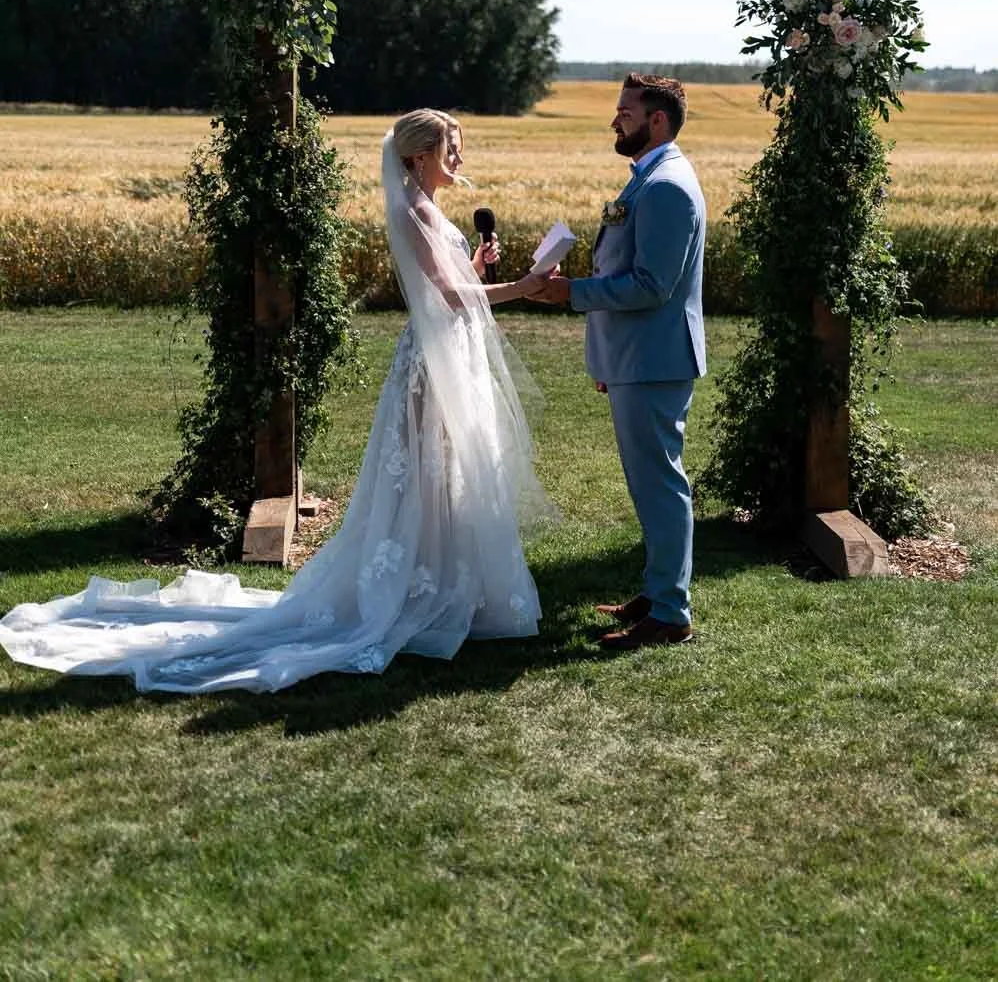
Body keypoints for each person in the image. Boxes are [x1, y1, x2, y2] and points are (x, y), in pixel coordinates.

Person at [0, 110, 558, 693]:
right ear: (418, 156)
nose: (460, 160)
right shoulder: (415, 211)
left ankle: (449, 586)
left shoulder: (429, 209)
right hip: (432, 359)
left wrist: (478, 267)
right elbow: (444, 293)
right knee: (427, 474)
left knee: (448, 472)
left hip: (449, 349)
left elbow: (450, 283)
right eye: (452, 149)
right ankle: (423, 590)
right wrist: (520, 287)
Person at [527, 74, 706, 650]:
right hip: (635, 358)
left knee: (660, 485)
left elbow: (653, 285)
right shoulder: (648, 180)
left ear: (657, 120)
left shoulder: (667, 188)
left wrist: (570, 293)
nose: (615, 121)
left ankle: (670, 613)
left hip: (654, 359)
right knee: (649, 484)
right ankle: (657, 594)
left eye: (625, 111)